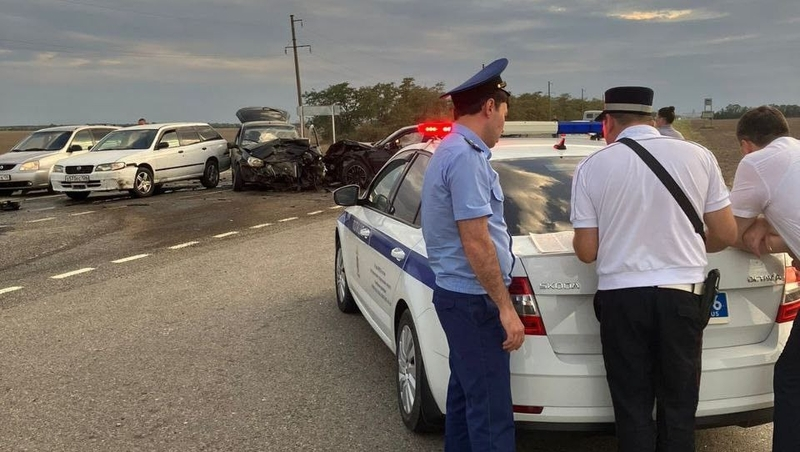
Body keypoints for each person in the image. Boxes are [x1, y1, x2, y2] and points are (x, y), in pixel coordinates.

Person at [570, 86, 737, 451]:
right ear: (652, 118)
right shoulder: (699, 156)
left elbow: (586, 251)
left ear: (609, 122)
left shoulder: (592, 166)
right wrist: (683, 244)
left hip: (622, 300)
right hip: (682, 297)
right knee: (679, 407)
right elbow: (726, 233)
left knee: (632, 407)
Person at [420, 58, 524, 452]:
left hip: (458, 296)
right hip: (473, 301)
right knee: (492, 414)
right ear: (488, 107)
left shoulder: (452, 150)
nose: (502, 125)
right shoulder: (464, 157)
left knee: (465, 399)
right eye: (503, 115)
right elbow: (476, 241)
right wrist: (505, 307)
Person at [725, 106, 800, 452]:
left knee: (792, 378)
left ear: (746, 144)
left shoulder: (756, 163)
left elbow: (728, 232)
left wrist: (757, 230)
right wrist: (769, 227)